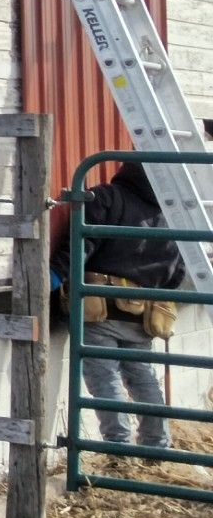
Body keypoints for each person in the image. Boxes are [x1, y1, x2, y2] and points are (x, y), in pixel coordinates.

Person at [53, 162, 180, 453]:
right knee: (142, 376)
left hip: (100, 308)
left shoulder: (108, 197)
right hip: (143, 313)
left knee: (104, 377)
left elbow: (81, 244)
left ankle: (118, 449)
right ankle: (157, 446)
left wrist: (55, 274)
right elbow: (177, 271)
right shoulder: (169, 214)